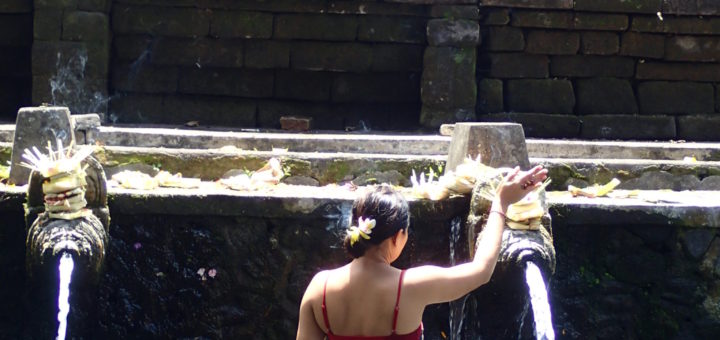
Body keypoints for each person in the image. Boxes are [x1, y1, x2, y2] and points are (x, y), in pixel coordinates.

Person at [297, 165, 548, 340]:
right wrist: (500, 203)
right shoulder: (410, 286)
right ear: (398, 236)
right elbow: (481, 271)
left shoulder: (319, 287)